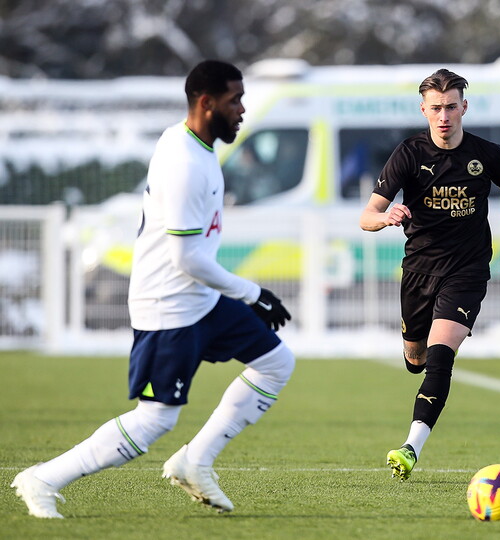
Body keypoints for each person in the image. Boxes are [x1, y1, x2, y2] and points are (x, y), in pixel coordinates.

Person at [11, 60, 295, 518]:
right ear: (207, 103)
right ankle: (43, 478)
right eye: (234, 100)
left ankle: (195, 461)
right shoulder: (185, 162)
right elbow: (186, 258)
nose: (242, 110)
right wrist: (251, 293)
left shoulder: (191, 144)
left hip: (199, 299)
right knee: (155, 419)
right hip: (168, 307)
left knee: (276, 362)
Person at [359, 68, 500, 481]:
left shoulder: (486, 153)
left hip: (467, 270)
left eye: (451, 106)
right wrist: (386, 217)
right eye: (436, 108)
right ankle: (416, 358)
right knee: (415, 358)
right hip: (418, 270)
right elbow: (366, 215)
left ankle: (411, 446)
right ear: (424, 110)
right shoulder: (408, 154)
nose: (444, 115)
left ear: (464, 107)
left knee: (439, 356)